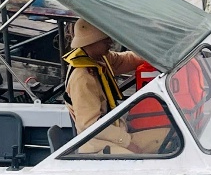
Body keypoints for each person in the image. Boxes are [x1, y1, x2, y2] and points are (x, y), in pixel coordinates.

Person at [63, 18, 166, 155]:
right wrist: (127, 142)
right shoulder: (83, 77)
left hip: (115, 133)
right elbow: (90, 125)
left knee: (169, 135)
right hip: (96, 144)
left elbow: (124, 60)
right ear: (92, 42)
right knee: (137, 160)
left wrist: (152, 56)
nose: (110, 42)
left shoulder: (99, 59)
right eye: (105, 39)